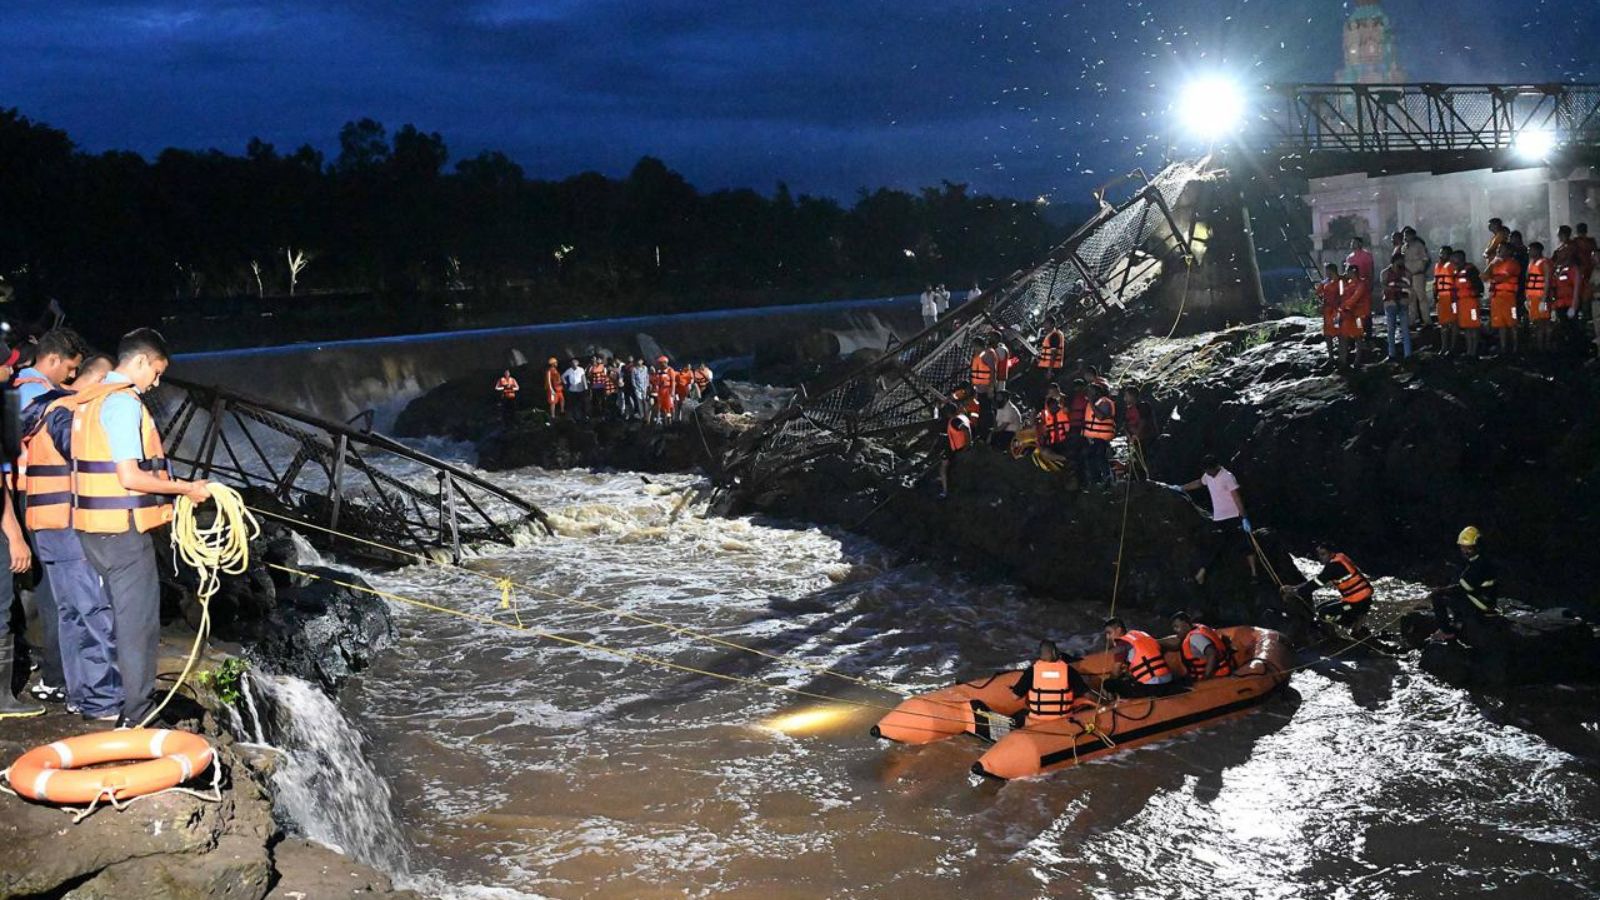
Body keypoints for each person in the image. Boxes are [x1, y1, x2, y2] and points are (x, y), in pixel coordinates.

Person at [72, 328, 212, 726]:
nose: (157, 380)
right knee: (138, 625)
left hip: (93, 529)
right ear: (139, 361)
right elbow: (130, 477)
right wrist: (185, 488)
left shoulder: (89, 401)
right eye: (157, 370)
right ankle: (137, 715)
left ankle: (119, 700)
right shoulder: (122, 404)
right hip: (121, 532)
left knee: (112, 616)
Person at [10, 328, 88, 704]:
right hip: (33, 500)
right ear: (53, 360)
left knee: (48, 592)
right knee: (55, 594)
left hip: (28, 499)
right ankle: (59, 675)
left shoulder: (26, 389)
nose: (71, 377)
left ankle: (55, 671)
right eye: (70, 369)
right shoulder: (38, 397)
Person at [1179, 455, 1258, 584]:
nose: (1208, 473)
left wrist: (1244, 518)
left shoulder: (1227, 476)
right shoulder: (1208, 476)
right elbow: (1199, 483)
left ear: (1216, 467)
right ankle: (1202, 573)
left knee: (1245, 544)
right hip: (1219, 517)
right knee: (1215, 544)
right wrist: (1181, 487)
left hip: (1233, 516)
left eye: (1209, 470)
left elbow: (1237, 498)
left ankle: (1254, 573)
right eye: (1206, 470)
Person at [1282, 542, 1373, 637]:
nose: (1321, 557)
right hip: (1359, 599)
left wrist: (1295, 592)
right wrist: (1295, 587)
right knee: (1320, 608)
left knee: (1324, 614)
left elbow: (1315, 584)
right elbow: (1317, 580)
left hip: (1358, 603)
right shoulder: (1340, 558)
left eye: (1323, 554)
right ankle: (1356, 624)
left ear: (1331, 553)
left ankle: (1355, 625)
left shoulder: (1333, 567)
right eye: (1319, 554)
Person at [1429, 526, 1498, 644]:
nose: (1464, 551)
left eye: (1468, 548)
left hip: (1481, 604)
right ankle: (1459, 623)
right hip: (1486, 601)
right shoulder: (1481, 560)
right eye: (1462, 547)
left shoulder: (1477, 565)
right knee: (1452, 593)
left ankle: (1446, 632)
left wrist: (1440, 591)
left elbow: (1463, 588)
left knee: (1437, 598)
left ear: (1476, 547)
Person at [1009, 639, 1090, 724]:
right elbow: (1086, 694)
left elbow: (1015, 697)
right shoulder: (1068, 670)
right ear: (1055, 652)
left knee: (1018, 716)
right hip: (1063, 721)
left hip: (1037, 722)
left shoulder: (1032, 671)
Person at [1102, 617, 1180, 697]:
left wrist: (1111, 681)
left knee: (1108, 683)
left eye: (1109, 633)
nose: (1108, 637)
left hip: (1153, 687)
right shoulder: (1141, 635)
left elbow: (1116, 671)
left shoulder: (1121, 643)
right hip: (1168, 679)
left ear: (1118, 630)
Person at [1167, 611, 1234, 680]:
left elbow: (1212, 654)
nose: (1175, 630)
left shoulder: (1195, 637)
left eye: (1177, 626)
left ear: (1186, 623)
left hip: (1217, 676)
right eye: (1174, 628)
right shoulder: (1198, 628)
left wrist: (1206, 677)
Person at [1483, 244, 1521, 356]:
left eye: (1501, 249)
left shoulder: (1513, 263)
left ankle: (1515, 348)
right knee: (1501, 324)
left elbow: (1502, 278)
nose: (1498, 251)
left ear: (1509, 251)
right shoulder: (1495, 263)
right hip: (1496, 298)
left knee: (1512, 323)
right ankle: (1503, 348)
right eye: (1498, 249)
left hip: (1509, 298)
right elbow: (1484, 276)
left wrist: (1492, 278)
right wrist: (1491, 263)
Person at [1082, 384, 1116, 486]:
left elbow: (1100, 416)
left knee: (1101, 456)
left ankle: (1108, 477)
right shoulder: (1092, 404)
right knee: (1090, 456)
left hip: (1103, 437)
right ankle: (1096, 479)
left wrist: (1092, 403)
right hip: (1094, 437)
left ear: (1097, 393)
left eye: (1091, 391)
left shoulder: (1105, 402)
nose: (1089, 394)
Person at [1380, 255, 1413, 361]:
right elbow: (1384, 286)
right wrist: (1398, 287)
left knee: (1405, 330)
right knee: (1390, 330)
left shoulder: (1407, 272)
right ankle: (1391, 354)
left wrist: (1394, 287)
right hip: (1390, 303)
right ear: (1393, 262)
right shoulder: (1384, 273)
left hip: (1403, 303)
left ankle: (1408, 354)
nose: (1401, 264)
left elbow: (1408, 286)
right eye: (1400, 261)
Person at [1452, 250, 1483, 357]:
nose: (1452, 261)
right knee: (1466, 327)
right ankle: (1469, 351)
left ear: (1461, 258)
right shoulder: (1456, 272)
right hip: (1462, 303)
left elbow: (1479, 287)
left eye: (1454, 258)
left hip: (1472, 303)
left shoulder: (1471, 270)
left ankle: (1474, 351)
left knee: (1474, 326)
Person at [1338, 262, 1369, 368]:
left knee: (1359, 335)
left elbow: (1355, 297)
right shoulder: (1347, 284)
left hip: (1360, 315)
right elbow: (1342, 296)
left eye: (1348, 271)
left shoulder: (1361, 283)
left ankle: (1358, 359)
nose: (1346, 273)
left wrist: (1345, 306)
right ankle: (1343, 360)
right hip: (1348, 315)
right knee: (1344, 335)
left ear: (1353, 272)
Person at [937, 403, 971, 501]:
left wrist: (967, 445)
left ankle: (945, 491)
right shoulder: (962, 417)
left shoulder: (954, 421)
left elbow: (965, 429)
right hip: (959, 445)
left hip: (957, 447)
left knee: (943, 468)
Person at [1122, 385, 1156, 478]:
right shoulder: (1129, 409)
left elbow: (1143, 421)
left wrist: (1135, 435)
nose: (1125, 399)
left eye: (1126, 396)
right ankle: (1136, 477)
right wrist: (1129, 435)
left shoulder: (1142, 406)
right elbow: (1126, 424)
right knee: (1135, 459)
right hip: (1135, 439)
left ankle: (1145, 478)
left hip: (1144, 439)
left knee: (1143, 459)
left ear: (1132, 396)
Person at [1526, 241, 1554, 353]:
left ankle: (1546, 346)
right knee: (1537, 323)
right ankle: (1539, 347)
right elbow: (1528, 281)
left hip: (1542, 298)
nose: (1529, 251)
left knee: (1545, 322)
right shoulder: (1531, 263)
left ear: (1537, 250)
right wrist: (1527, 298)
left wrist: (1544, 299)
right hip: (1532, 298)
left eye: (1530, 249)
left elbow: (1547, 281)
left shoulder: (1545, 263)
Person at [1401, 227, 1431, 329]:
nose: (1405, 237)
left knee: (1421, 298)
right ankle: (1412, 320)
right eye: (1405, 235)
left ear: (1413, 235)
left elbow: (1426, 259)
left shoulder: (1419, 245)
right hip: (1408, 275)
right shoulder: (1404, 247)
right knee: (1411, 298)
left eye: (1407, 235)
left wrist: (1423, 270)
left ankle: (1427, 320)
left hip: (1418, 274)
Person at [1433, 245, 1458, 352]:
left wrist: (1455, 298)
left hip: (1451, 298)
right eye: (1440, 253)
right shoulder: (1437, 266)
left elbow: (1456, 282)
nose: (1441, 255)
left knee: (1453, 322)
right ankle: (1444, 347)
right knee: (1443, 323)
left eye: (1443, 253)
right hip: (1441, 298)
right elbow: (1435, 283)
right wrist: (1435, 296)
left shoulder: (1452, 266)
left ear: (1449, 255)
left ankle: (1453, 347)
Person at [1316, 263, 1342, 364]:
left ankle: (1341, 355)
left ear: (1332, 271)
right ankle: (1331, 357)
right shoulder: (1325, 282)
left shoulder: (1340, 281)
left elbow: (1343, 294)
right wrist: (1322, 301)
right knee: (1327, 334)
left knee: (1339, 332)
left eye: (1327, 271)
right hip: (1327, 310)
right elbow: (1318, 293)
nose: (1326, 273)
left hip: (1336, 311)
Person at [648, 356, 676, 426]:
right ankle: (662, 420)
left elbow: (673, 382)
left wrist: (672, 392)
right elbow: (657, 382)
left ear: (665, 363)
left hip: (668, 390)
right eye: (659, 363)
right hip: (661, 391)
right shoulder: (659, 371)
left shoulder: (670, 370)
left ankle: (670, 421)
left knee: (669, 406)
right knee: (661, 406)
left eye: (661, 363)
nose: (659, 365)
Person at [561, 358, 588, 422]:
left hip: (580, 389)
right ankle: (574, 417)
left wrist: (586, 387)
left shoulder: (581, 369)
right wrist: (565, 383)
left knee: (581, 403)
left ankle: (583, 417)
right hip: (572, 390)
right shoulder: (569, 370)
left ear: (577, 363)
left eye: (575, 363)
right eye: (572, 363)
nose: (574, 364)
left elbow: (583, 378)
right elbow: (562, 376)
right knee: (573, 404)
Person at [586, 355, 610, 419]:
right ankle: (596, 414)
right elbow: (588, 376)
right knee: (595, 401)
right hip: (594, 386)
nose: (594, 360)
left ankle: (603, 414)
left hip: (602, 386)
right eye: (593, 359)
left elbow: (606, 376)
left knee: (603, 400)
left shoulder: (603, 366)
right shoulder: (590, 367)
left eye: (596, 359)